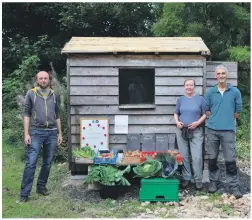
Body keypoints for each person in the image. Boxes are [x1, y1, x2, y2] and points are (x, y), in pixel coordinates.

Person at [18, 71, 62, 203]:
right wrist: (26, 133)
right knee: (31, 163)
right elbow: (26, 114)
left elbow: (58, 115)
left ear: (49, 80)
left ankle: (41, 187)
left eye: (45, 78)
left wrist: (60, 133)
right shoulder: (31, 94)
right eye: (41, 78)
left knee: (47, 163)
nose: (43, 80)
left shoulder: (55, 95)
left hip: (52, 133)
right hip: (36, 132)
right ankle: (24, 194)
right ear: (37, 80)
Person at [205, 64, 242, 199]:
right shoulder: (210, 92)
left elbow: (237, 112)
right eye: (218, 74)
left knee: (230, 159)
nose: (221, 76)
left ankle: (234, 186)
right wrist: (217, 118)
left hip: (228, 131)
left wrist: (226, 119)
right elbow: (207, 109)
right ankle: (214, 182)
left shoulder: (235, 92)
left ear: (227, 75)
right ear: (216, 76)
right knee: (212, 158)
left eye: (223, 73)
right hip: (212, 130)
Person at [174, 79, 206, 190]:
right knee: (184, 156)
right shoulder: (180, 100)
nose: (189, 87)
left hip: (196, 131)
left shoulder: (200, 99)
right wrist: (177, 122)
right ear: (184, 87)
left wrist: (197, 123)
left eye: (191, 85)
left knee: (197, 156)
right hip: (182, 130)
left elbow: (204, 114)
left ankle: (198, 179)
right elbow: (176, 113)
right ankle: (186, 177)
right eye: (187, 85)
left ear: (194, 86)